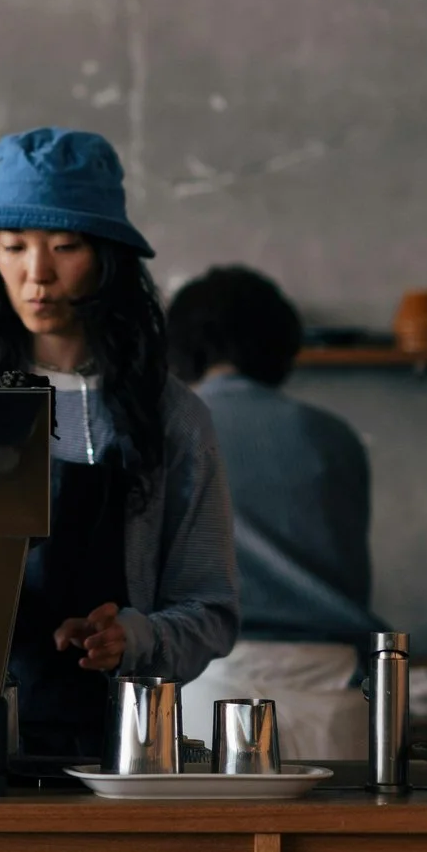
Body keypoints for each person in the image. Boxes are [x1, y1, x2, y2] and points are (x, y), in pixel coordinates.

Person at [0, 127, 237, 758]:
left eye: (64, 246)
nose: (37, 274)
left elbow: (211, 608)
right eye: (13, 247)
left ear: (108, 259)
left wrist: (133, 637)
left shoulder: (173, 416)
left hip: (123, 750)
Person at [167, 265, 381, 760]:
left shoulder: (173, 430)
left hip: (210, 680)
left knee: (204, 839)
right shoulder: (334, 436)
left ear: (178, 346)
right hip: (335, 686)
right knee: (338, 835)